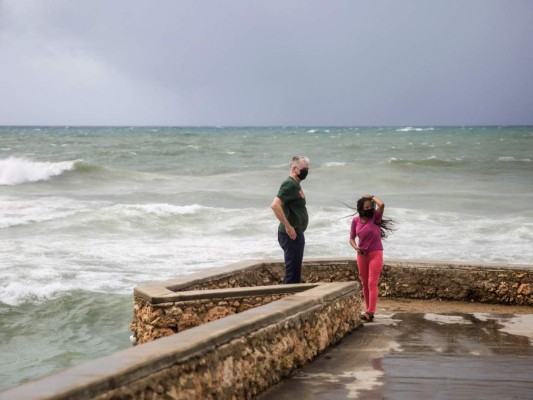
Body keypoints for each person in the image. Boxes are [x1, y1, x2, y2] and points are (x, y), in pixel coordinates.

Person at [349, 195, 394, 322]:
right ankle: (368, 310)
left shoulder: (375, 218)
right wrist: (355, 247)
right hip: (361, 255)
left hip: (376, 254)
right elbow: (351, 238)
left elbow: (382, 205)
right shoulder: (355, 221)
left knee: (372, 283)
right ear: (360, 209)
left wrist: (372, 197)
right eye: (366, 207)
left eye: (371, 207)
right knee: (364, 284)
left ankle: (370, 312)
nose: (369, 209)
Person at [270, 155, 310, 284]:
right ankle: (287, 301)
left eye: (307, 168)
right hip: (290, 235)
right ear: (294, 169)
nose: (306, 171)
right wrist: (288, 226)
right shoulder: (289, 184)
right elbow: (275, 205)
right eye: (304, 168)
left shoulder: (295, 185)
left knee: (295, 273)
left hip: (297, 233)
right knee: (292, 275)